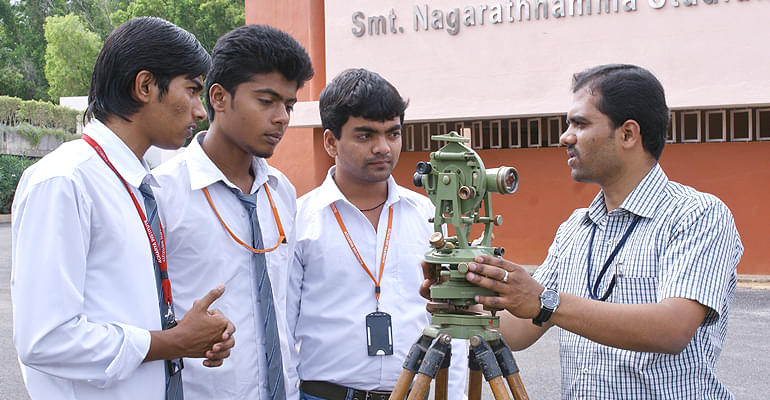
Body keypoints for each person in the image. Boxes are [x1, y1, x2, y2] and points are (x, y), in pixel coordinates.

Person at [441, 64, 743, 399]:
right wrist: (461, 299)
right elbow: (521, 330)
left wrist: (544, 301)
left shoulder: (696, 215)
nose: (565, 137)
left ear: (628, 134)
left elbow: (672, 329)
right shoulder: (575, 228)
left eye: (580, 124)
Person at [11, 17, 235, 400]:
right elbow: (45, 339)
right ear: (146, 86)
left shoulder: (138, 182)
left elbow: (116, 311)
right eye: (192, 90)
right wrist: (172, 343)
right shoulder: (64, 181)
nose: (201, 112)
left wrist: (190, 334)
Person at [151, 24, 314, 400]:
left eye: (288, 105)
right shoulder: (162, 194)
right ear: (219, 98)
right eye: (267, 101)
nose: (282, 118)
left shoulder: (282, 192)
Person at [288, 68, 467, 400]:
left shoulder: (428, 216)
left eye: (393, 133)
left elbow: (450, 321)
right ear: (331, 141)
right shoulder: (298, 219)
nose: (383, 147)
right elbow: (283, 330)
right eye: (365, 135)